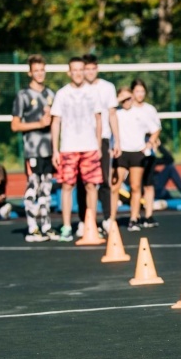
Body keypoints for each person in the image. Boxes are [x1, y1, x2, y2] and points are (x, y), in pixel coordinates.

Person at [51, 57, 103, 241]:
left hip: (89, 147)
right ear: (69, 72)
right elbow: (55, 122)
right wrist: (55, 150)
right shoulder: (62, 94)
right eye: (75, 70)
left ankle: (91, 225)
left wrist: (98, 145)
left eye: (81, 69)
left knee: (91, 186)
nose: (79, 73)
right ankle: (66, 226)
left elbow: (98, 119)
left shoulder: (93, 92)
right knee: (67, 186)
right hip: (68, 147)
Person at [11, 54, 57, 242]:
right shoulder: (23, 95)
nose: (39, 73)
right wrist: (39, 124)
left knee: (47, 190)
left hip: (49, 151)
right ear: (30, 73)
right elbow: (15, 125)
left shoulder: (51, 94)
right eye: (36, 70)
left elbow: (56, 123)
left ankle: (46, 226)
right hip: (32, 151)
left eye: (42, 70)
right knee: (33, 188)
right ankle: (32, 228)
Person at [75, 54, 121, 235]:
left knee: (104, 180)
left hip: (103, 138)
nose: (90, 72)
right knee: (83, 183)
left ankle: (108, 219)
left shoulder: (107, 87)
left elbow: (112, 115)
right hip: (82, 141)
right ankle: (84, 220)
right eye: (86, 69)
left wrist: (117, 140)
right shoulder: (78, 89)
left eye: (93, 68)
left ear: (97, 69)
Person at [112, 81, 161, 231]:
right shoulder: (116, 113)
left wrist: (150, 143)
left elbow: (155, 128)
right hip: (121, 152)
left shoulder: (141, 112)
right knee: (115, 186)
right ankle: (111, 219)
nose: (127, 101)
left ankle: (134, 218)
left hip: (137, 153)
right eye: (124, 99)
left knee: (135, 186)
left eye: (129, 98)